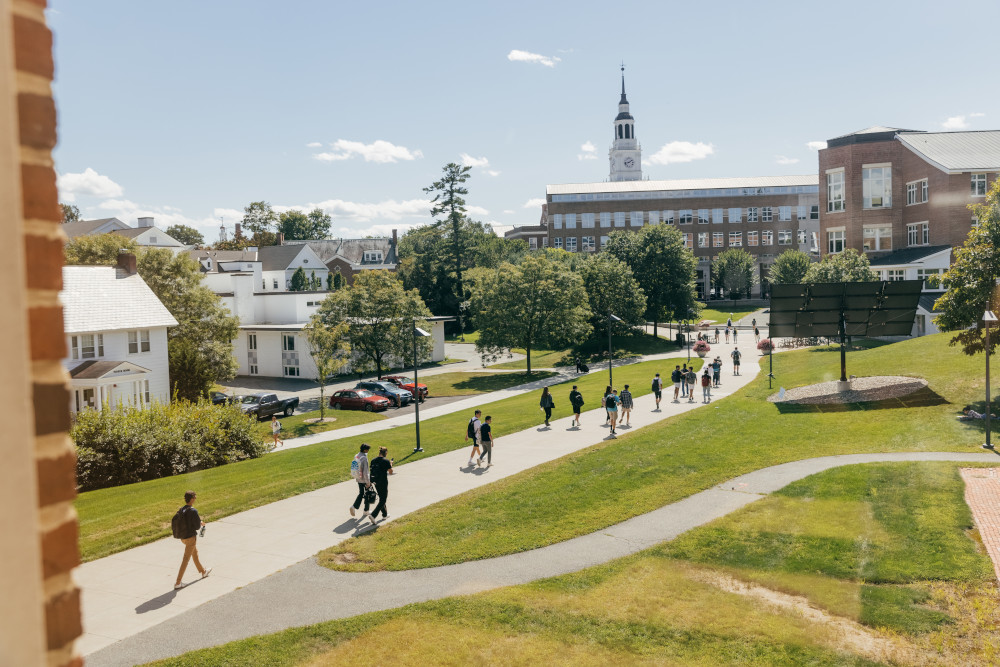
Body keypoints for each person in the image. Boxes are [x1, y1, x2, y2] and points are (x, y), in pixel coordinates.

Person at [174, 490, 211, 590]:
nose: (195, 499)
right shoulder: (193, 511)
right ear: (191, 499)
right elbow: (196, 527)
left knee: (195, 554)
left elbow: (188, 522)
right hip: (190, 538)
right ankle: (178, 582)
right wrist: (200, 524)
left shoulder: (182, 509)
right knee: (186, 559)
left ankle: (203, 572)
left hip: (183, 538)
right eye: (195, 497)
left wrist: (200, 521)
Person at [368, 446, 394, 524]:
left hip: (375, 482)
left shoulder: (373, 460)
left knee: (381, 498)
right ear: (385, 453)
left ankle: (385, 514)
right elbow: (390, 472)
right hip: (383, 482)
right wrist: (390, 464)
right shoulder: (386, 461)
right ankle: (373, 515)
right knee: (383, 499)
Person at [350, 443, 372, 518]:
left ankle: (354, 506)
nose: (368, 451)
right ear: (365, 450)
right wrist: (368, 482)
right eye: (368, 449)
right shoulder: (364, 458)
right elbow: (366, 472)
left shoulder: (357, 455)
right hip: (364, 480)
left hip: (358, 478)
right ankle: (366, 510)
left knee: (361, 493)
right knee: (367, 494)